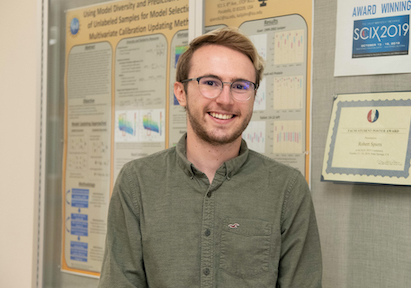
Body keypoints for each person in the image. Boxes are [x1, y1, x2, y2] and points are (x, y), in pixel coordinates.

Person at [98, 27, 322, 287]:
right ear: (180, 93)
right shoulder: (137, 183)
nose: (225, 99)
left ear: (253, 97)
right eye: (210, 83)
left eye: (240, 86)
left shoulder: (287, 189)